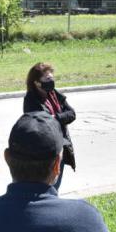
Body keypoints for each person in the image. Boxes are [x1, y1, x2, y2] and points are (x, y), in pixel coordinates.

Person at [23, 62, 76, 190]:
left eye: (52, 78)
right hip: (44, 151)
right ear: (36, 82)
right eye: (47, 79)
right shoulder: (31, 99)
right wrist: (58, 119)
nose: (51, 81)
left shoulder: (54, 94)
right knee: (46, 189)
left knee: (55, 188)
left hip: (61, 146)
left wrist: (55, 118)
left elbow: (72, 113)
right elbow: (40, 124)